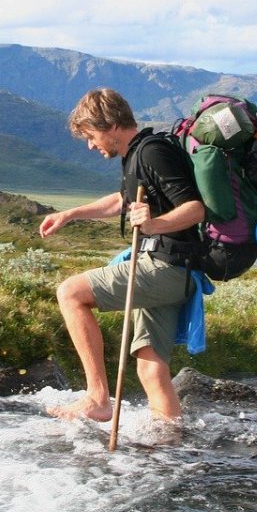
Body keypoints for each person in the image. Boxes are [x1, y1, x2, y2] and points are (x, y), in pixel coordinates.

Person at [39, 88, 205, 422]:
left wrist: (155, 223)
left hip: (166, 267)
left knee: (70, 293)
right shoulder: (137, 155)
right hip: (174, 269)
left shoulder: (152, 152)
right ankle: (169, 441)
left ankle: (97, 398)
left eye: (91, 135)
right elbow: (121, 201)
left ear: (112, 124)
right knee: (150, 367)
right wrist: (70, 214)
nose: (90, 144)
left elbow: (196, 208)